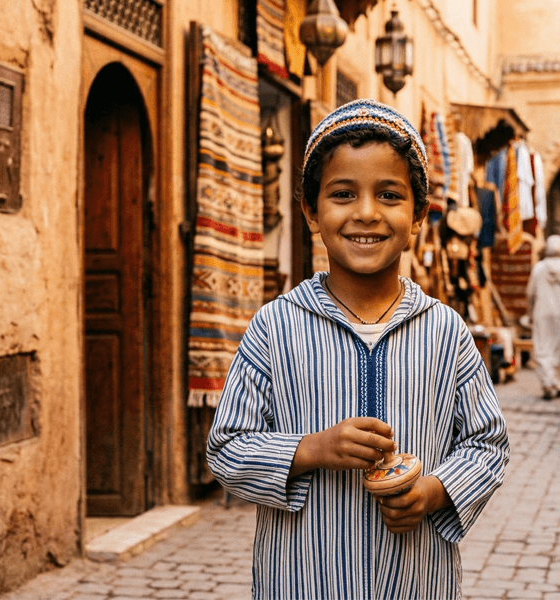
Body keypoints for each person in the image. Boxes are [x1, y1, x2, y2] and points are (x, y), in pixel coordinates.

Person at [206, 99, 510, 599]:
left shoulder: (446, 333)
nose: (366, 214)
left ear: (417, 218)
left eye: (389, 195)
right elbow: (227, 449)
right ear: (311, 211)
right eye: (343, 194)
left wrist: (434, 492)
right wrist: (309, 449)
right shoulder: (276, 327)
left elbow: (487, 444)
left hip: (418, 582)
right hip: (301, 580)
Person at [526, 235, 560, 399]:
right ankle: (559, 383)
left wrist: (529, 313)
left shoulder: (538, 268)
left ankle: (549, 383)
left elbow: (530, 293)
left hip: (542, 313)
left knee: (543, 349)